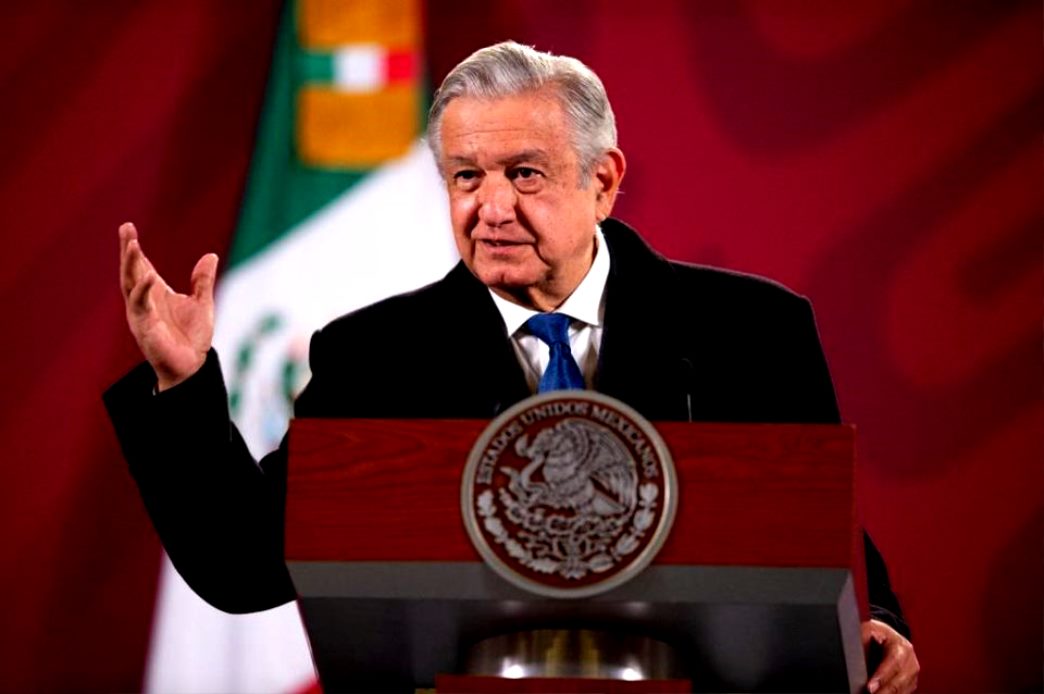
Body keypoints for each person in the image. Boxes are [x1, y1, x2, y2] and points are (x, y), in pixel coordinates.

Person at [107, 41, 918, 692]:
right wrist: (183, 383)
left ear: (603, 181)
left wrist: (880, 619)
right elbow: (246, 565)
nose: (490, 209)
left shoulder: (753, 330)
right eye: (466, 177)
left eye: (524, 174)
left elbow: (816, 527)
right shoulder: (376, 355)